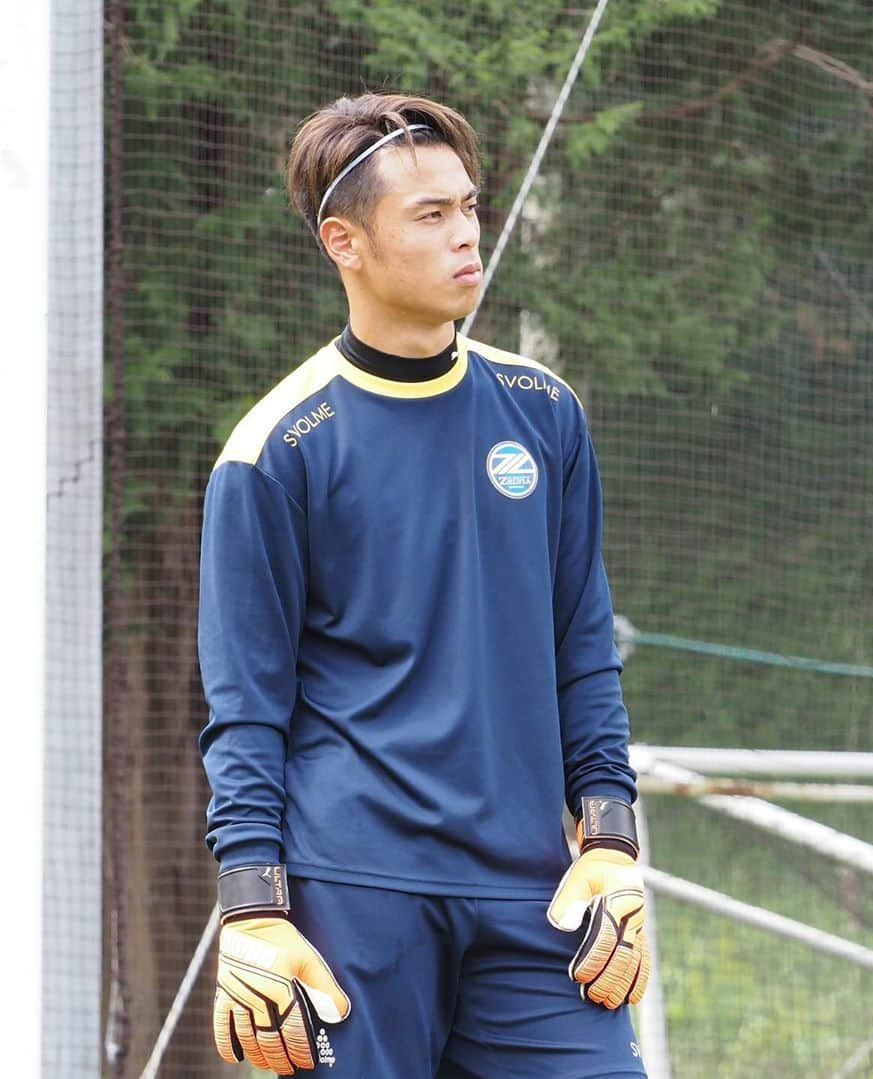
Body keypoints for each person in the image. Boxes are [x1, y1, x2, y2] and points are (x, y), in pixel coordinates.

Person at [197, 91, 651, 1078]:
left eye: (470, 207)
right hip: (351, 894)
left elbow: (581, 642)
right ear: (344, 243)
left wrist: (610, 835)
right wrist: (253, 903)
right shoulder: (273, 450)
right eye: (430, 215)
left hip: (533, 891)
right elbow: (245, 706)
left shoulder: (545, 414)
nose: (465, 237)